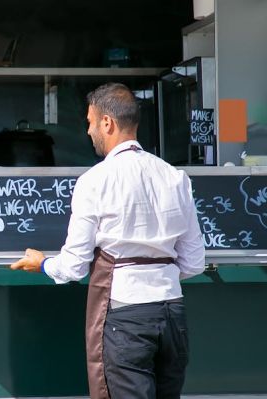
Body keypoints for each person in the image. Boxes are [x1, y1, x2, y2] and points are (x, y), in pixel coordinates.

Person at [10, 83, 205, 399]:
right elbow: (194, 262)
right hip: (173, 316)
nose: (87, 131)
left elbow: (74, 265)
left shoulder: (94, 181)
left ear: (107, 123)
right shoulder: (175, 177)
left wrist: (42, 264)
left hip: (126, 317)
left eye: (89, 122)